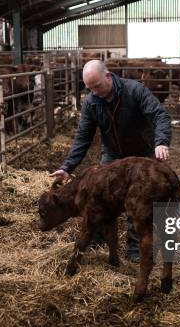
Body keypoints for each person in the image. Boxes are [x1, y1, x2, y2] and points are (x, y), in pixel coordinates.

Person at [49, 59, 172, 261]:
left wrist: (161, 142)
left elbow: (160, 115)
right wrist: (67, 166)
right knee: (98, 195)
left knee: (138, 201)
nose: (94, 91)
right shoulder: (91, 102)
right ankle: (96, 240)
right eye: (89, 88)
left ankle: (134, 250)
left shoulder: (135, 91)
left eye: (96, 86)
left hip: (142, 152)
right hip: (113, 154)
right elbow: (83, 136)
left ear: (107, 76)